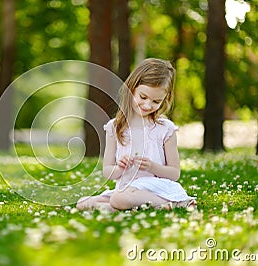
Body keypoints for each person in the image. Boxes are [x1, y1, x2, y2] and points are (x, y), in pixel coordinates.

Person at [76, 58, 196, 212]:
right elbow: (107, 171)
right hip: (125, 189)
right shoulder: (114, 128)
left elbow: (174, 173)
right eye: (143, 97)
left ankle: (173, 203)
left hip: (156, 189)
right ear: (131, 89)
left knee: (118, 198)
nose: (147, 105)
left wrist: (152, 166)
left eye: (156, 101)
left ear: (165, 100)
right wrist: (119, 168)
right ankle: (124, 207)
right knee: (83, 203)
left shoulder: (164, 128)